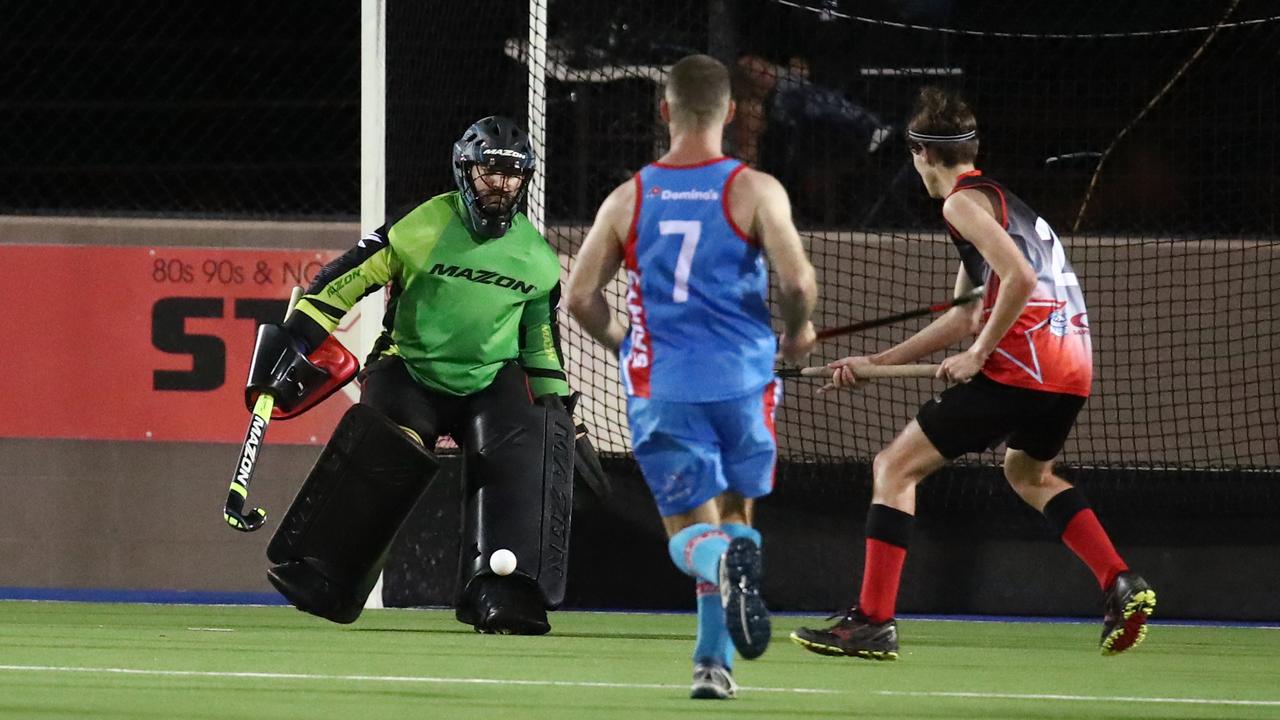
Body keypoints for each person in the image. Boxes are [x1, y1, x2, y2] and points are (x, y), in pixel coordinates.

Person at [790, 87, 1156, 660]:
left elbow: (1019, 281)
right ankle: (1118, 580)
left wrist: (982, 354)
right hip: (1071, 369)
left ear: (919, 151)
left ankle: (873, 620)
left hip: (1022, 366)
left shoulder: (960, 204)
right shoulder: (1001, 203)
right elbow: (963, 315)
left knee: (894, 468)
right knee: (1029, 474)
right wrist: (874, 363)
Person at [249, 116, 578, 636]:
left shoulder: (537, 260)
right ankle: (325, 572)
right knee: (390, 448)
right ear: (464, 171)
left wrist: (558, 408)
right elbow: (341, 285)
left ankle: (502, 590)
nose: (501, 185)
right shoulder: (417, 227)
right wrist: (295, 339)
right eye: (490, 172)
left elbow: (539, 340)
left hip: (489, 380)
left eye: (513, 175)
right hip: (407, 368)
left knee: (523, 443)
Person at [565, 54, 818, 699]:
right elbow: (795, 281)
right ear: (731, 112)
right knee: (735, 512)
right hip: (745, 383)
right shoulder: (755, 190)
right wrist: (796, 334)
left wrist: (626, 344)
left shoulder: (630, 197)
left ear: (664, 110)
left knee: (689, 534)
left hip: (664, 387)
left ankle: (715, 616)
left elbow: (581, 298)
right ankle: (714, 662)